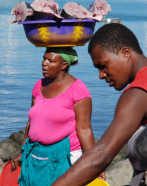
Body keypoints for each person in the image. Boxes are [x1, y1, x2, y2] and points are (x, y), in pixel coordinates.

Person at [52, 23, 147, 186]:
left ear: (125, 53)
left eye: (103, 66)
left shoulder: (138, 93)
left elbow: (102, 154)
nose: (101, 75)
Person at [11, 47, 105, 185]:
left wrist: (93, 162)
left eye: (50, 60)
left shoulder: (78, 89)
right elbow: (32, 121)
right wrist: (23, 151)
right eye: (44, 58)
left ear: (64, 65)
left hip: (65, 158)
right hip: (36, 155)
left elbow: (84, 129)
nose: (44, 63)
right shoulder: (39, 85)